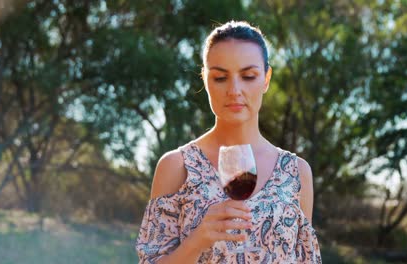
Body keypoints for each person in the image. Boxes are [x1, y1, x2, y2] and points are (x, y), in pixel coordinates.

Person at [136, 20, 321, 263]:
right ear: (205, 79)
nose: (234, 90)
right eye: (221, 78)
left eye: (248, 76)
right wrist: (198, 240)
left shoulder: (297, 173)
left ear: (266, 79)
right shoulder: (176, 166)